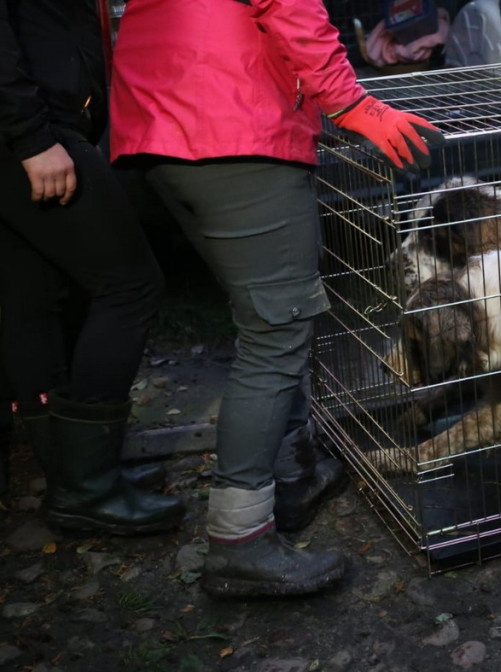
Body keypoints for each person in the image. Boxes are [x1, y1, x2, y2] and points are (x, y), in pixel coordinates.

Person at [109, 0, 444, 598]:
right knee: (275, 334)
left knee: (265, 319)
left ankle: (292, 475)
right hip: (232, 126)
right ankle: (240, 544)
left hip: (163, 124)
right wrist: (353, 104)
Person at [0, 0, 185, 535]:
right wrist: (32, 137)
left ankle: (72, 474)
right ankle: (88, 486)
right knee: (131, 285)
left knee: (29, 296)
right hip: (35, 131)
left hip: (37, 124)